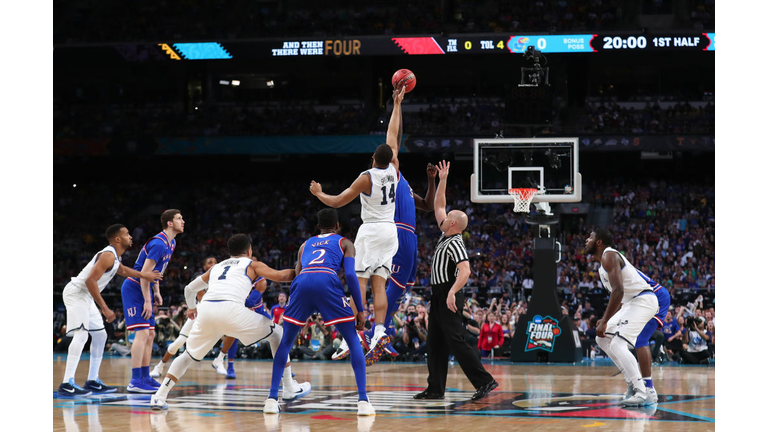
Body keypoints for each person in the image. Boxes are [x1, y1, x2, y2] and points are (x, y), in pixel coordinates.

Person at [150, 234, 310, 410]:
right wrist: (304, 268)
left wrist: (191, 307)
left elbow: (189, 289)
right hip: (231, 310)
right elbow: (280, 276)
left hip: (207, 310)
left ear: (230, 252)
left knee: (187, 355)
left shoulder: (216, 267)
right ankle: (288, 386)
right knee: (278, 333)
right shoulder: (251, 264)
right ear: (249, 251)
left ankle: (159, 396)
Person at [311, 86, 407, 359]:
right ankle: (378, 330)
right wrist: (397, 104)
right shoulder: (394, 168)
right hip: (391, 232)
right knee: (380, 283)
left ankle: (351, 336)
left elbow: (339, 201)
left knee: (359, 283)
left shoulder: (367, 176)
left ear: (373, 158)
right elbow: (393, 135)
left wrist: (319, 194)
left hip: (371, 230)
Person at [262, 208, 374, 416]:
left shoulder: (304, 245)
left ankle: (270, 399)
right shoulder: (344, 242)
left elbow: (297, 273)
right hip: (327, 281)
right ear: (338, 225)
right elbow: (350, 274)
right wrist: (360, 308)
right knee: (351, 338)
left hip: (302, 282)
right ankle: (363, 402)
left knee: (285, 342)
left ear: (317, 227)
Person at [414, 160, 498, 401]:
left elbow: (465, 270)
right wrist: (443, 180)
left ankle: (485, 381)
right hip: (439, 295)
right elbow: (439, 204)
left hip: (448, 294)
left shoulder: (455, 242)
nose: (443, 214)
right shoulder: (445, 233)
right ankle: (435, 388)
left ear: (452, 223)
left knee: (456, 340)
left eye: (447, 216)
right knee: (435, 343)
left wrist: (452, 292)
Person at [58, 224, 162, 396]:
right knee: (82, 335)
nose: (131, 237)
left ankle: (92, 381)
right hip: (77, 293)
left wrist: (144, 275)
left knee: (100, 335)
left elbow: (122, 270)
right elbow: (90, 281)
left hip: (86, 296)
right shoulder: (107, 255)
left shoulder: (115, 258)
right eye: (127, 234)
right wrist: (104, 308)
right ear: (117, 239)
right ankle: (67, 383)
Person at [585, 229, 659, 406]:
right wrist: (606, 322)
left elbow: (619, 291)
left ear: (599, 242)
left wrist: (604, 320)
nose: (586, 240)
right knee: (601, 338)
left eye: (590, 237)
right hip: (632, 302)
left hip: (643, 300)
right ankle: (633, 382)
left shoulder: (609, 255)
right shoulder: (602, 265)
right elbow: (619, 297)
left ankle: (643, 393)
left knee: (618, 343)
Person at [121, 209, 184, 393]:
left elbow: (157, 272)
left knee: (150, 335)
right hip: (134, 287)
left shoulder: (171, 243)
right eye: (179, 218)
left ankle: (145, 378)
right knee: (141, 334)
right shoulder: (159, 243)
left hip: (145, 287)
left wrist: (156, 290)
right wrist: (147, 300)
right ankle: (134, 381)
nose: (183, 221)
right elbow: (144, 274)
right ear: (169, 223)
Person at [151, 256, 217, 378]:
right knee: (178, 343)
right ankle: (159, 366)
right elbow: (200, 298)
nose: (213, 264)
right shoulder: (200, 279)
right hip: (200, 314)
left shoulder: (219, 280)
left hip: (214, 315)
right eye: (210, 262)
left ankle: (220, 360)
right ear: (204, 267)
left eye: (215, 262)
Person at [623, 272, 672, 404]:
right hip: (639, 300)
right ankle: (634, 384)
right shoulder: (605, 268)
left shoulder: (612, 261)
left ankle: (649, 389)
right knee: (621, 340)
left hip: (656, 297)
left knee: (640, 339)